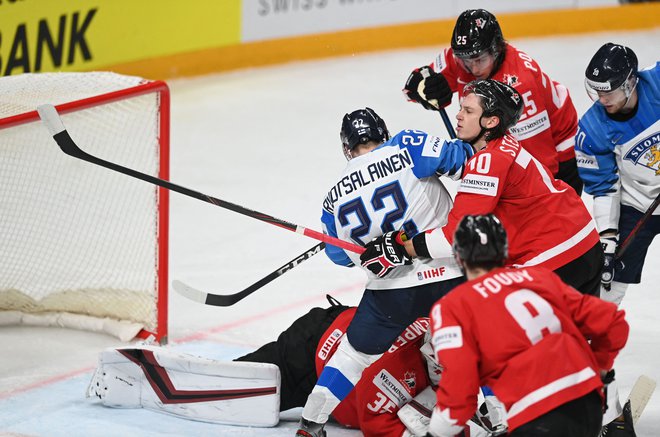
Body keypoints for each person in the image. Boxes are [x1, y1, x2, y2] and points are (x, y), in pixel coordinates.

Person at [296, 108, 475, 436]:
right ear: (383, 132)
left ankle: (310, 423)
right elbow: (463, 158)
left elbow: (341, 257)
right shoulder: (407, 145)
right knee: (480, 342)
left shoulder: (332, 199)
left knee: (352, 355)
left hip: (389, 293)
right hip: (449, 275)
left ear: (347, 148)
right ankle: (496, 415)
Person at [87, 295, 495, 436]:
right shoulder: (393, 374)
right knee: (234, 387)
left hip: (329, 325)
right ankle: (131, 379)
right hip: (306, 359)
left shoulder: (432, 327)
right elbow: (376, 426)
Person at [361, 79, 603, 296]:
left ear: (491, 121)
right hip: (584, 242)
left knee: (492, 333)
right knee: (577, 341)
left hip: (554, 261)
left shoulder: (488, 161)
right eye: (460, 109)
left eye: (468, 111)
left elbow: (456, 237)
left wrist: (400, 247)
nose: (458, 116)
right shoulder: (506, 145)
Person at [425, 214, 630, 437]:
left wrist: (435, 433)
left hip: (538, 415)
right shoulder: (539, 278)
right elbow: (613, 321)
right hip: (588, 404)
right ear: (504, 248)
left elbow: (459, 390)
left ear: (459, 256)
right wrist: (600, 367)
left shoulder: (451, 307)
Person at [404, 9, 583, 194]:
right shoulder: (462, 56)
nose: (472, 68)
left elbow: (541, 159)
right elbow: (412, 88)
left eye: (479, 60)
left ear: (496, 49)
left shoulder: (521, 83)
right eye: (466, 61)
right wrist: (423, 88)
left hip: (560, 149)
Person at [575, 42, 660, 305]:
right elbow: (604, 186)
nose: (602, 100)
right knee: (609, 280)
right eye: (598, 92)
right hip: (637, 204)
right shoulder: (592, 128)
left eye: (608, 92)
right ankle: (590, 338)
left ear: (629, 82)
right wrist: (608, 236)